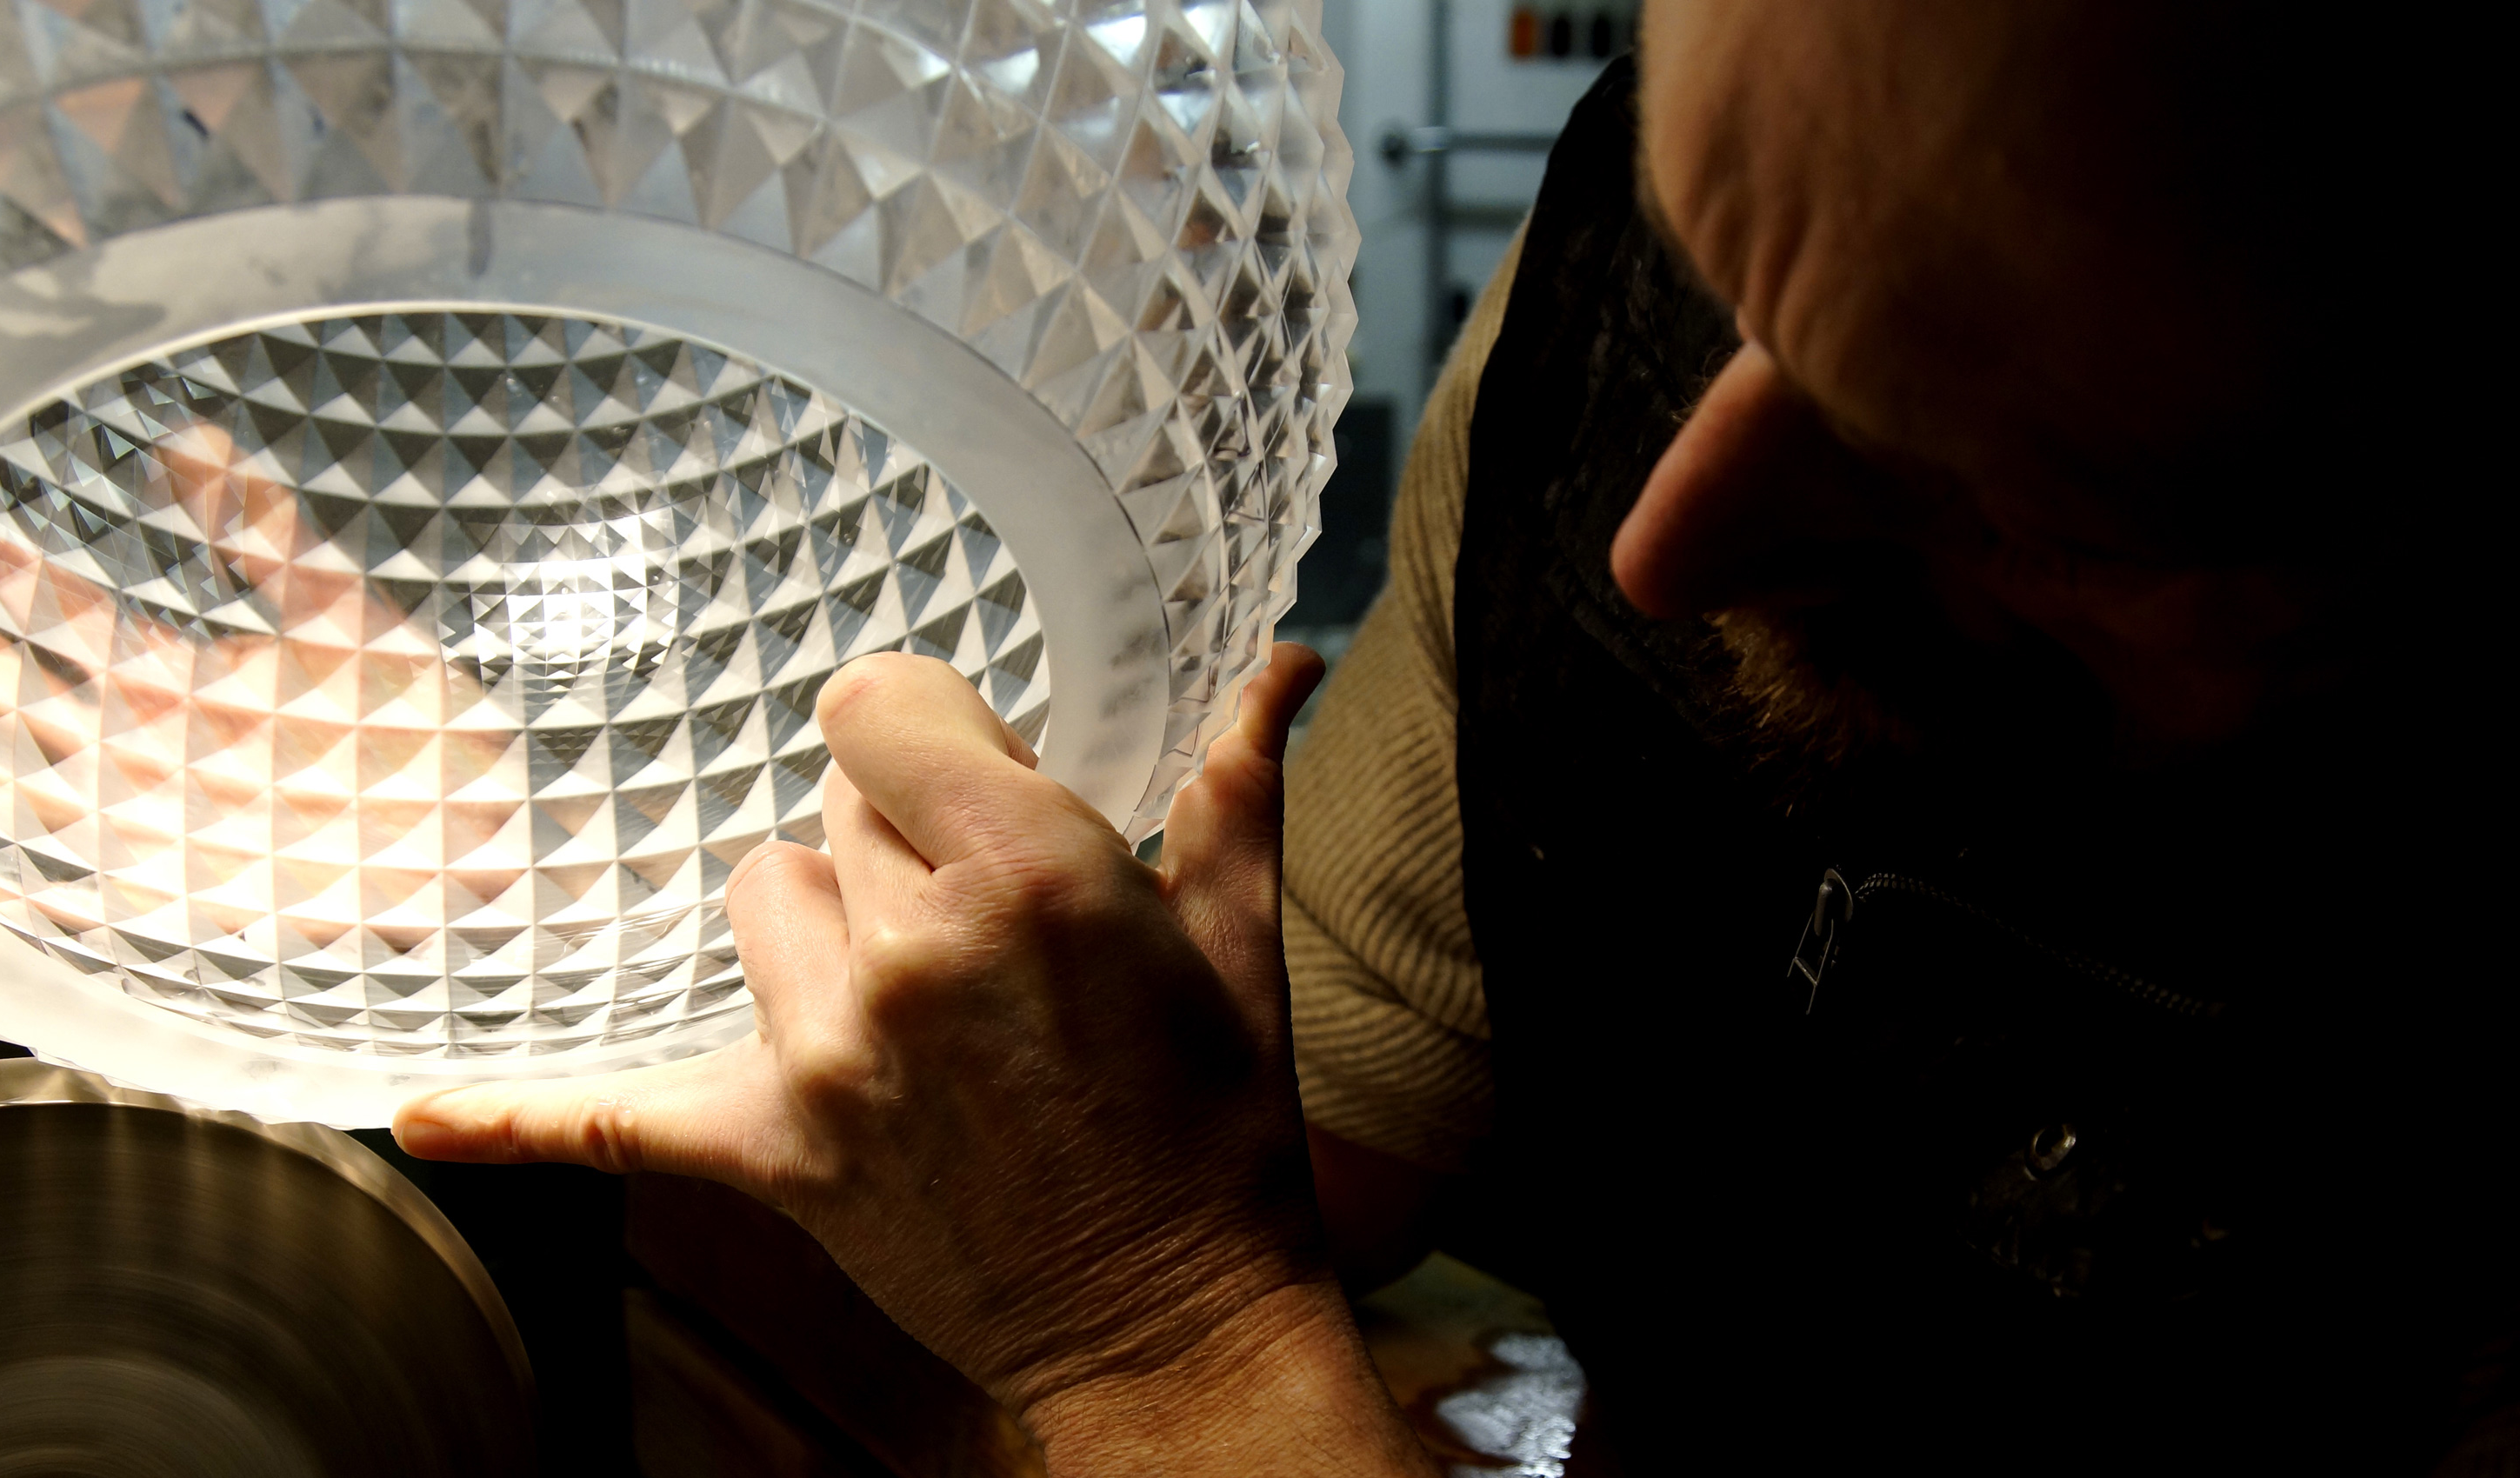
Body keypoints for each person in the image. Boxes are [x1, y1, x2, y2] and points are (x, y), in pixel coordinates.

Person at [395, 3, 2508, 1474]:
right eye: (1720, 262)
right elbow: (1174, 1163)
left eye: (2014, 492)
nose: (1673, 538)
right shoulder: (1649, 315)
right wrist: (518, 904)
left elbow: (1162, 1281)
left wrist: (1171, 1347)